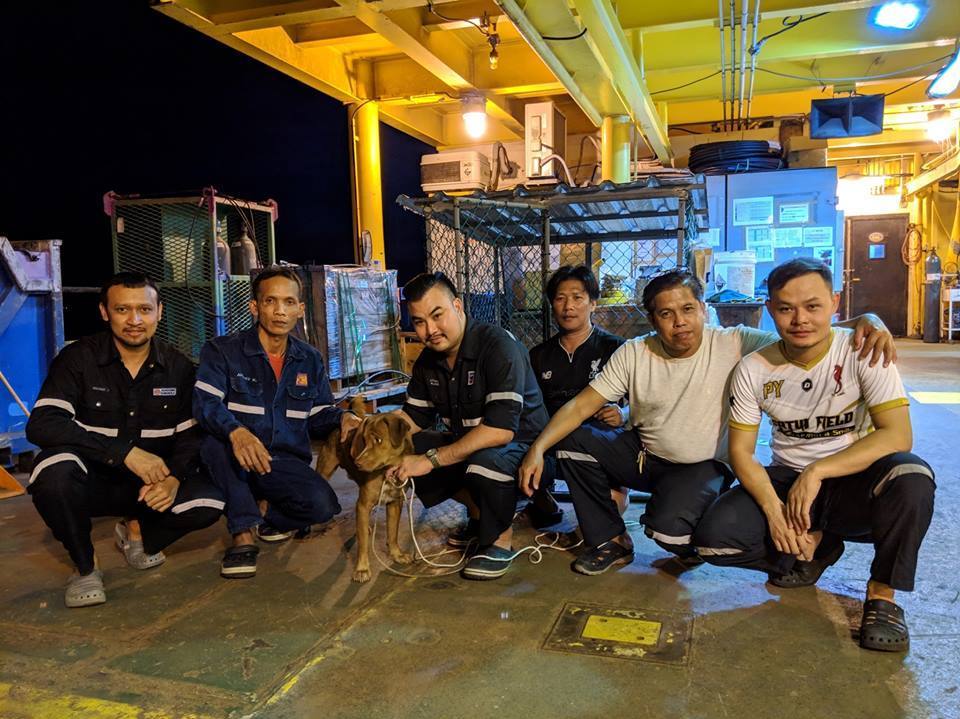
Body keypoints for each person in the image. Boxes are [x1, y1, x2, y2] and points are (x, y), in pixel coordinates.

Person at [520, 268, 896, 576]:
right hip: (644, 454)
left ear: (702, 309)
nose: (679, 322)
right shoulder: (635, 352)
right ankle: (611, 541)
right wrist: (538, 449)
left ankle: (802, 545)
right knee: (574, 439)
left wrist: (866, 319)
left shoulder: (735, 343)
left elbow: (803, 331)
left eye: (687, 309)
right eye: (666, 314)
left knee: (671, 534)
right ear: (651, 320)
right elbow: (581, 407)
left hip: (701, 464)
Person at [693, 258, 934, 652]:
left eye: (813, 306)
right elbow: (742, 453)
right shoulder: (754, 369)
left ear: (835, 303)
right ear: (769, 309)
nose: (800, 319)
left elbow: (898, 434)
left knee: (912, 478)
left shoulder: (863, 350)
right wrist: (774, 512)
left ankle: (882, 595)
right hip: (789, 478)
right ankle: (819, 546)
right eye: (786, 308)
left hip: (855, 478)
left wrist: (818, 471)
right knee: (713, 540)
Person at [26, 272, 223, 608]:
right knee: (52, 471)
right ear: (105, 312)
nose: (135, 320)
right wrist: (125, 453)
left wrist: (174, 477)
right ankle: (85, 567)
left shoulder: (179, 368)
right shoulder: (78, 359)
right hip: (93, 482)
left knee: (211, 502)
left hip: (148, 487)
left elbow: (191, 436)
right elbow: (43, 424)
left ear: (159, 312)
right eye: (122, 310)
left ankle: (137, 531)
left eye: (144, 310)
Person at [194, 266, 359, 578]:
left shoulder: (309, 359)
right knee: (214, 442)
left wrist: (344, 417)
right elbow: (205, 404)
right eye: (270, 302)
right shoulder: (224, 351)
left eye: (288, 302)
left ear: (300, 309)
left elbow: (318, 414)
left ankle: (267, 513)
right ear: (255, 307)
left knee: (322, 506)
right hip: (235, 455)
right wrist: (236, 431)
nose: (280, 311)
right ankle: (242, 535)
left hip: (281, 459)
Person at [388, 272, 549, 580]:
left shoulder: (498, 346)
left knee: (482, 461)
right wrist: (373, 433)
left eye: (437, 316)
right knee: (410, 446)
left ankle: (499, 540)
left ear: (458, 306)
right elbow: (412, 419)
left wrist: (430, 460)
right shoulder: (428, 361)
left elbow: (500, 431)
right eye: (419, 321)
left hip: (527, 451)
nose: (429, 330)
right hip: (476, 444)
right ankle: (481, 515)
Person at [528, 265, 627, 526]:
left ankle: (607, 506)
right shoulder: (538, 355)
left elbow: (640, 404)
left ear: (593, 303)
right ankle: (542, 500)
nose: (568, 306)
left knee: (608, 516)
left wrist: (623, 414)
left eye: (577, 297)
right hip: (552, 437)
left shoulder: (616, 348)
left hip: (600, 438)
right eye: (560, 298)